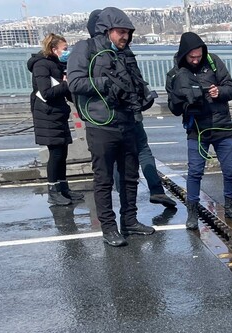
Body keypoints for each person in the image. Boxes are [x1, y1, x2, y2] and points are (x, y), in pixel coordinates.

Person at [67, 7, 155, 247]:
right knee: (104, 178)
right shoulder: (85, 48)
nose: (124, 36)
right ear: (107, 30)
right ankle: (108, 227)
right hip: (101, 124)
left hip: (128, 121)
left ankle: (130, 221)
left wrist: (143, 95)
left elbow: (135, 82)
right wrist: (107, 83)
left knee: (129, 176)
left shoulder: (126, 53)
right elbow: (75, 83)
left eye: (127, 32)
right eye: (120, 32)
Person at [83, 9, 177, 210]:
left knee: (120, 158)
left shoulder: (93, 51)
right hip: (129, 111)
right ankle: (155, 190)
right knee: (141, 149)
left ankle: (125, 196)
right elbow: (135, 79)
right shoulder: (122, 51)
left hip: (109, 115)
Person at [165, 32, 232, 226]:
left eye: (198, 56)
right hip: (196, 130)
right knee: (195, 172)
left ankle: (230, 207)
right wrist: (181, 99)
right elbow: (174, 108)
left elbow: (231, 88)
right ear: (184, 54)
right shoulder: (175, 74)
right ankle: (192, 213)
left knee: (230, 171)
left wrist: (219, 92)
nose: (195, 60)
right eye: (192, 57)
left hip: (222, 126)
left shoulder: (213, 61)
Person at [28, 33, 81, 206]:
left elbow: (65, 89)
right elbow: (46, 92)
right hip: (47, 114)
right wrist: (66, 84)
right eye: (64, 49)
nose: (67, 52)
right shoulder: (41, 65)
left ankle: (63, 188)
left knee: (62, 152)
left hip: (58, 113)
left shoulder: (57, 63)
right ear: (53, 49)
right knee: (56, 153)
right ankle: (53, 191)